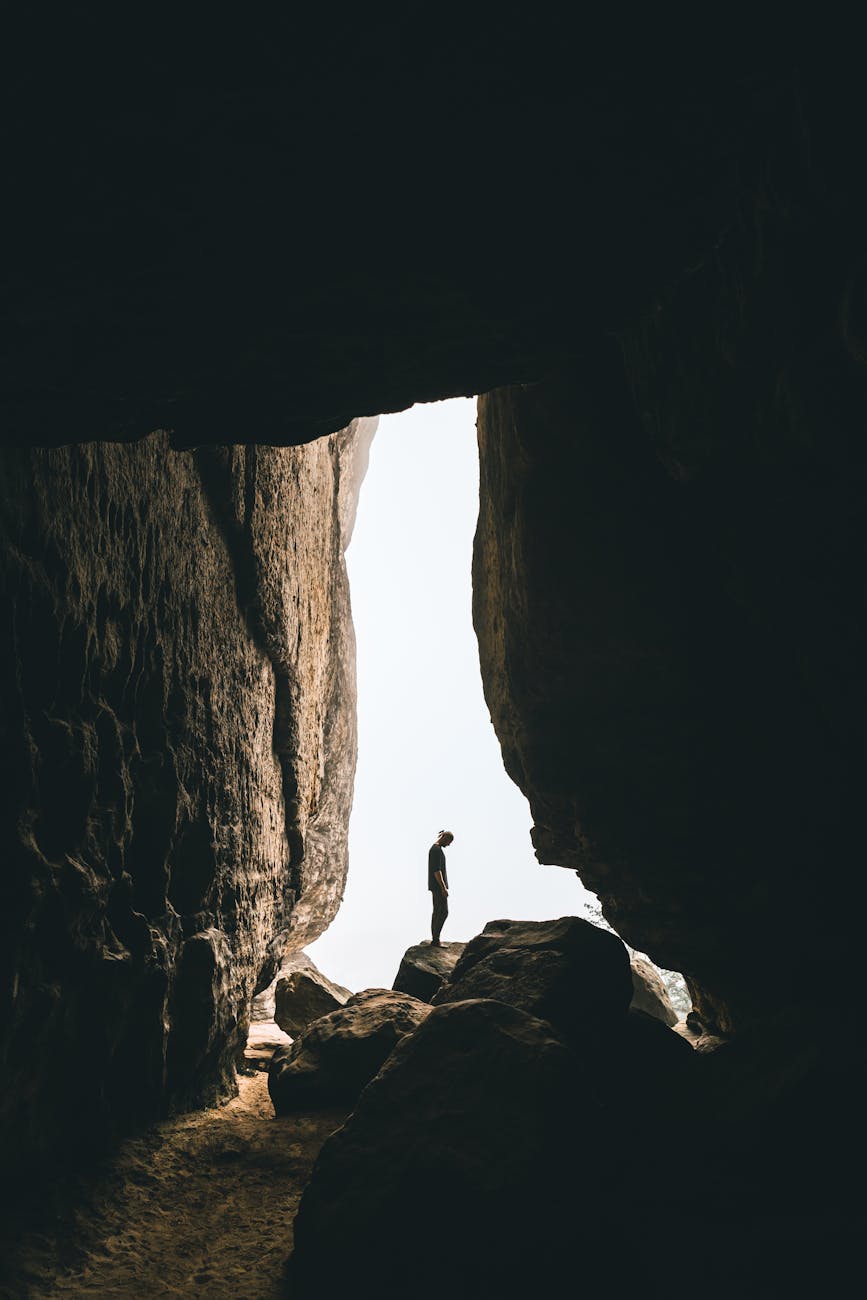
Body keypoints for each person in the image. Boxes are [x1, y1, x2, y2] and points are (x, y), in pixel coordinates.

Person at [428, 829, 454, 946]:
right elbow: (437, 871)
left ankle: (435, 939)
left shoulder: (435, 849)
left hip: (435, 886)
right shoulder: (436, 850)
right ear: (445, 838)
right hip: (438, 886)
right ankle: (436, 939)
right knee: (443, 911)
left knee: (437, 911)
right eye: (449, 842)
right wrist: (443, 888)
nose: (449, 845)